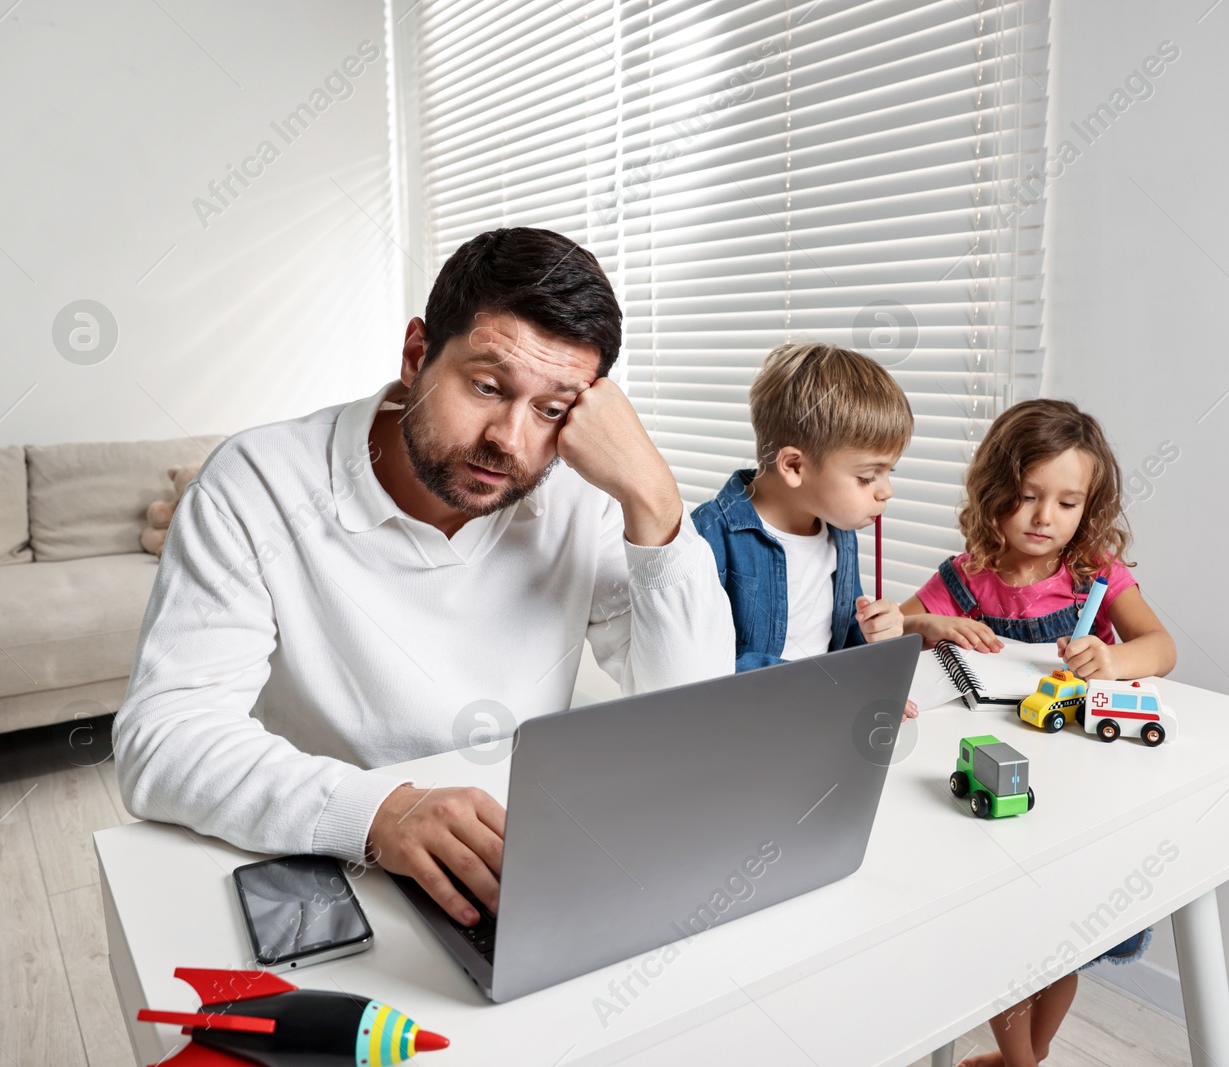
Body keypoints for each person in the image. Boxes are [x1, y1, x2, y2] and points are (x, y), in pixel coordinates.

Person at [113, 228, 735, 929]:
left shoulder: (582, 493)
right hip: (328, 857)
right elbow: (164, 738)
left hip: (517, 864)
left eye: (551, 409)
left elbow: (695, 724)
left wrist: (653, 499)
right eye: (486, 386)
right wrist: (379, 811)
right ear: (417, 354)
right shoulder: (257, 483)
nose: (510, 438)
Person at [901, 397, 1176, 1067]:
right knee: (1007, 939)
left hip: (1081, 783)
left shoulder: (1094, 575)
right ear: (994, 490)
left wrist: (1111, 660)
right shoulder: (966, 577)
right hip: (998, 780)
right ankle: (1021, 1061)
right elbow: (893, 629)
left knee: (1062, 941)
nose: (1044, 518)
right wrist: (928, 624)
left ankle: (1029, 1056)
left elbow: (1160, 647)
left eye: (1067, 501)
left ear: (1090, 506)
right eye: (1027, 496)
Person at [692, 342, 914, 688]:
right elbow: (699, 662)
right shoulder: (706, 537)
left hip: (822, 708)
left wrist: (877, 635)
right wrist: (817, 682)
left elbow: (839, 634)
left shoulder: (839, 531)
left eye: (889, 473)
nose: (886, 491)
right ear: (794, 466)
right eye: (868, 476)